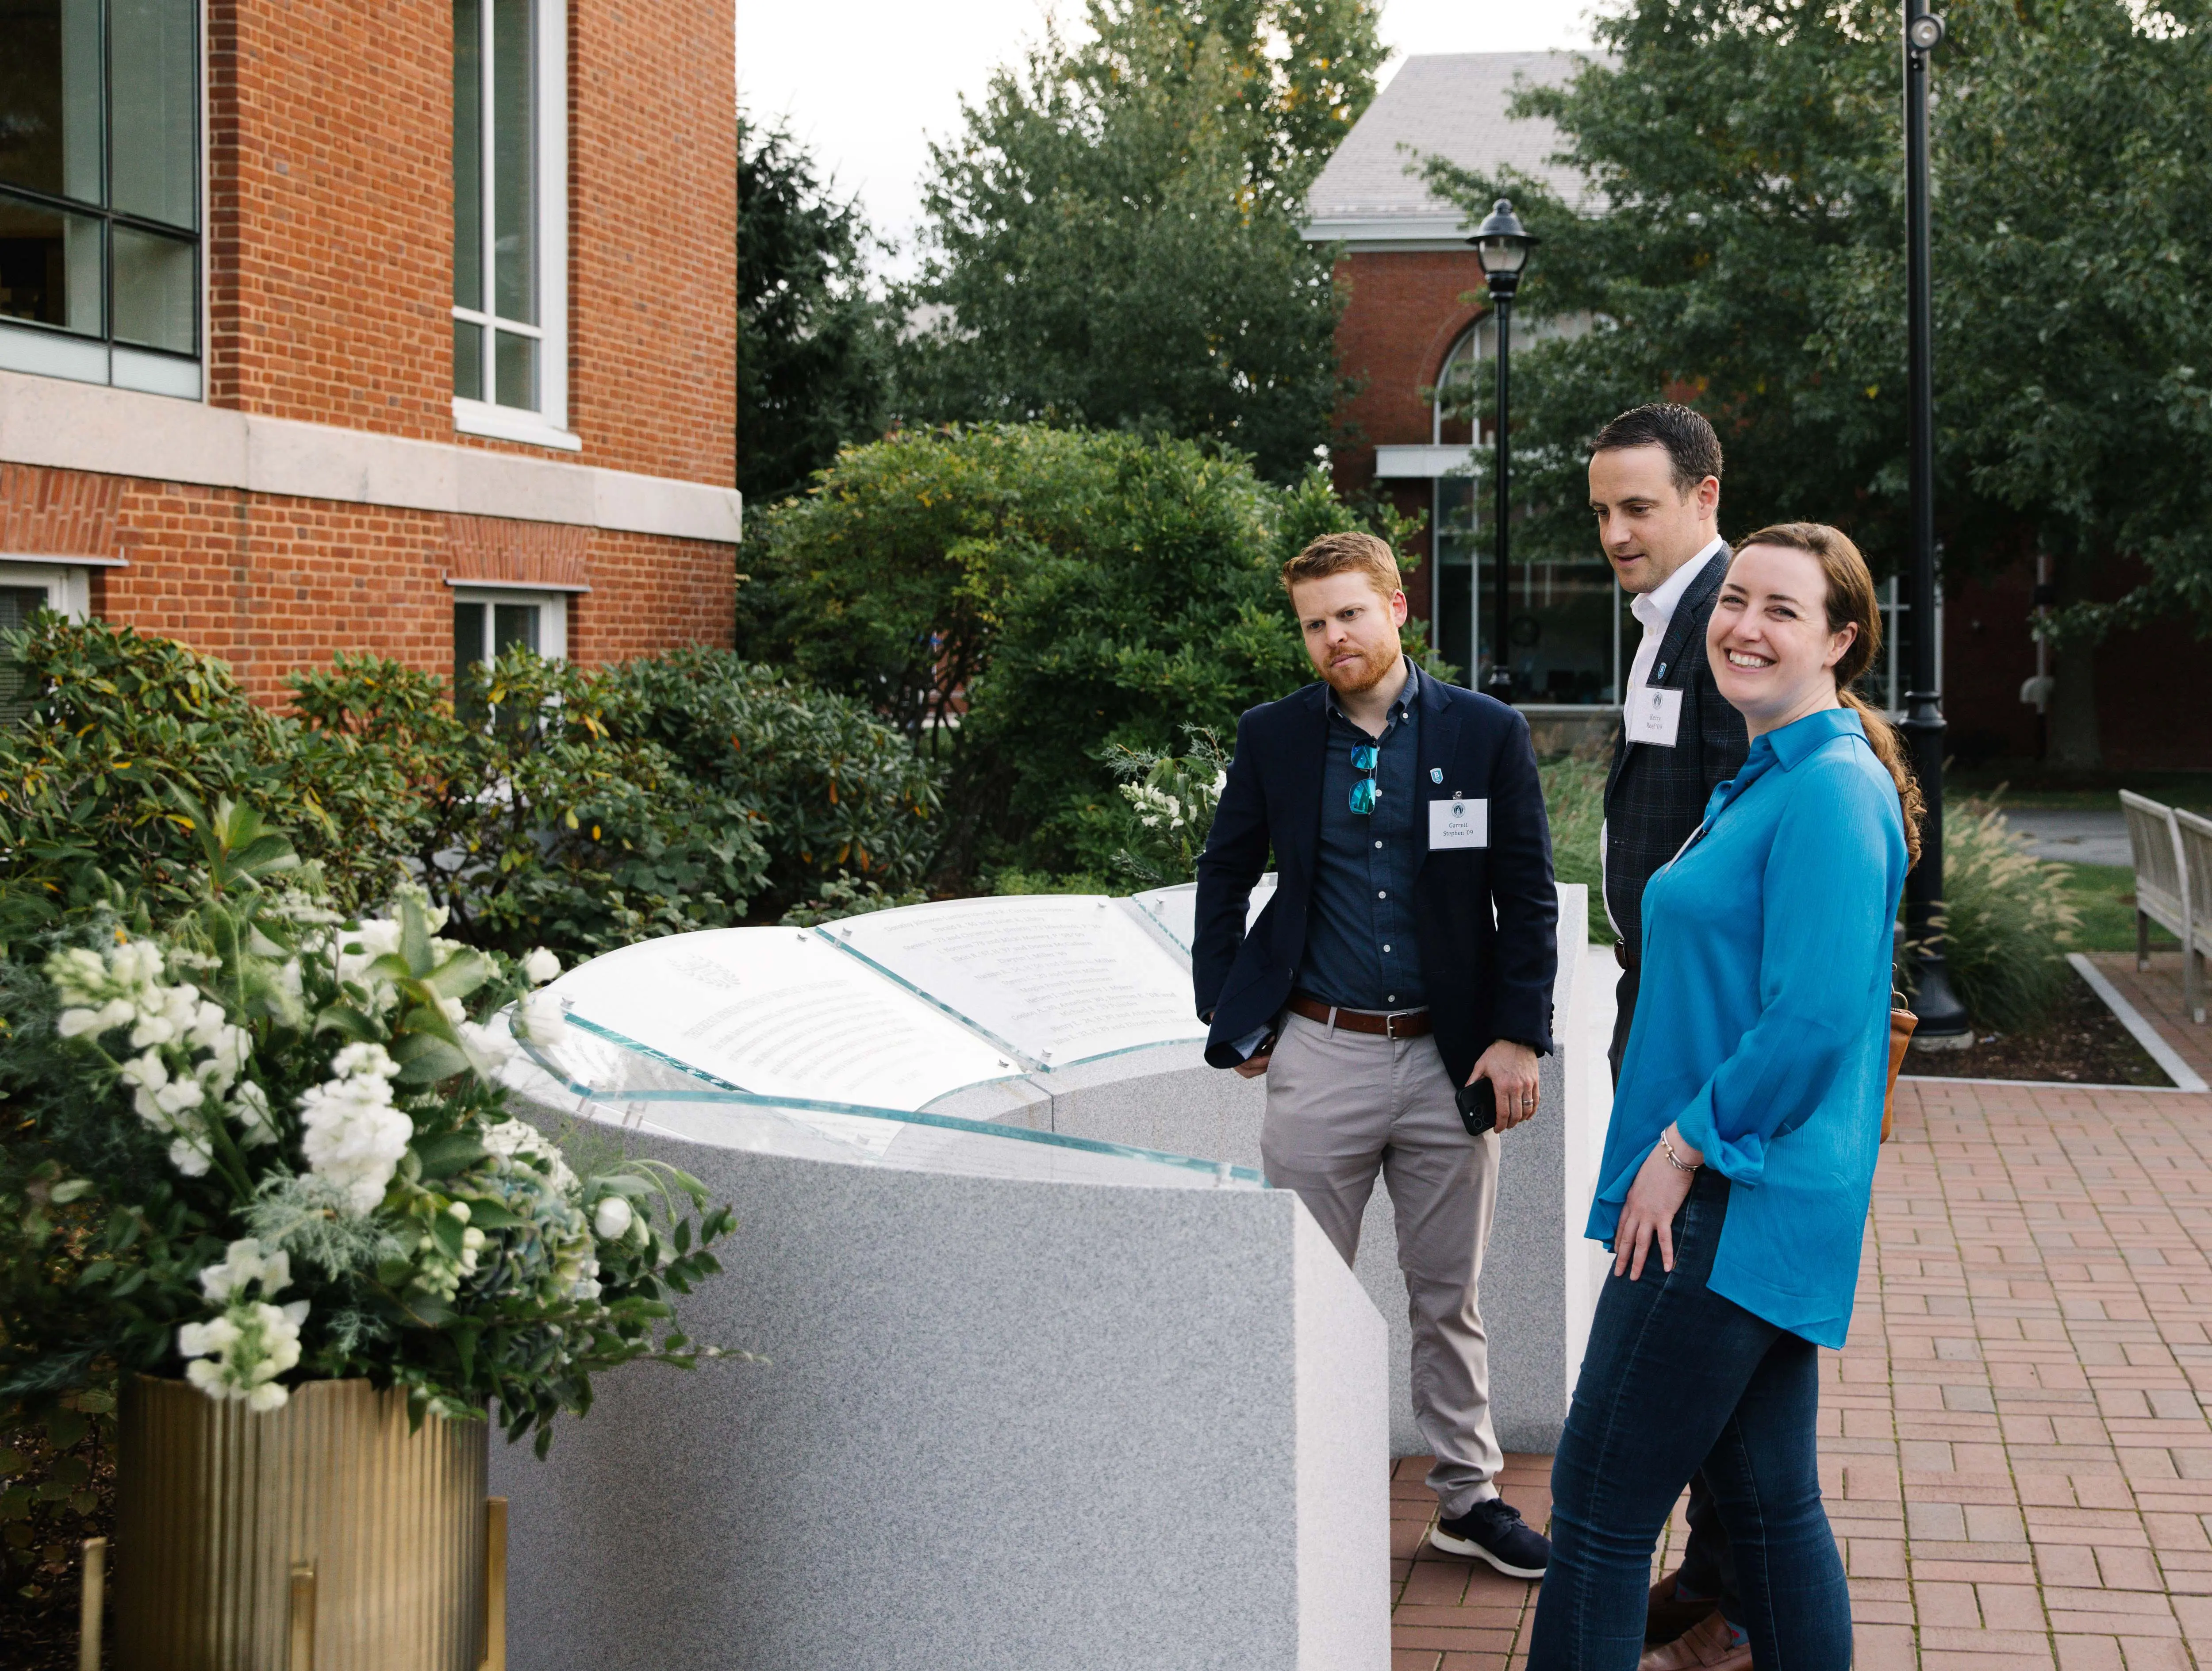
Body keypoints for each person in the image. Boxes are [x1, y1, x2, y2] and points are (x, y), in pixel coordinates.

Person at [1528, 523, 1919, 1671]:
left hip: (1727, 1199)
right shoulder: (1769, 773)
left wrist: (1684, 1147)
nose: (1744, 626)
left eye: (1782, 610)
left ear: (1841, 640)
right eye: (1734, 599)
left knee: (1598, 1515)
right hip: (1737, 1198)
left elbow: (1811, 1020)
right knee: (1763, 1511)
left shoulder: (1835, 794)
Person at [1192, 530, 1559, 1579]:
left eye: (1348, 614)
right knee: (1298, 1282)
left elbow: (1525, 894)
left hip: (1449, 1064)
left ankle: (1467, 1500)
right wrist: (1232, 1014)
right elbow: (1225, 876)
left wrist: (1516, 1032)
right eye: (1313, 623)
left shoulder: (1483, 733)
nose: (1331, 638)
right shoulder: (1273, 738)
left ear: (1397, 608)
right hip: (1321, 1051)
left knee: (1449, 1294)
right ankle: (1282, 1490)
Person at [1589, 411, 1754, 1657]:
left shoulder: (1725, 630)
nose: (1614, 535)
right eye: (1601, 513)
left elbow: (1740, 836)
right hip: (1654, 993)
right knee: (1703, 1300)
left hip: (1697, 1018)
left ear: (1704, 498)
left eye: (1638, 509)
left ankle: (1716, 1578)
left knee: (1689, 1289)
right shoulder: (1662, 623)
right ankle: (1719, 1573)